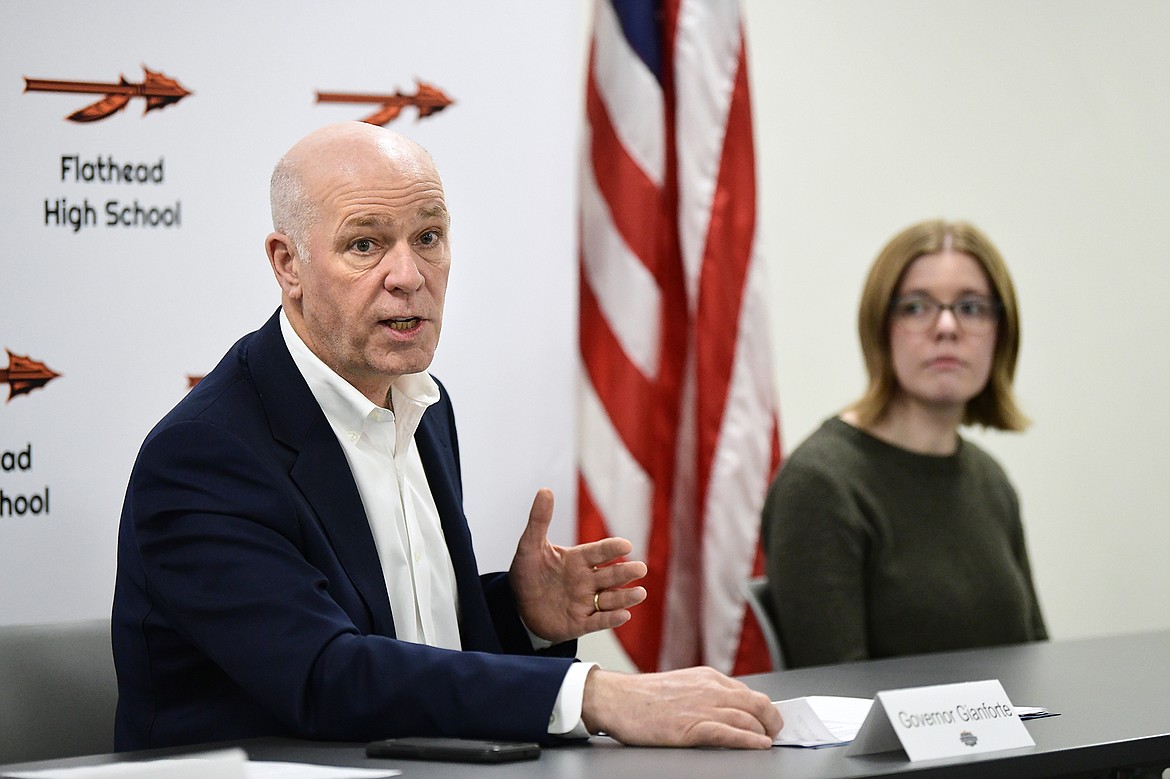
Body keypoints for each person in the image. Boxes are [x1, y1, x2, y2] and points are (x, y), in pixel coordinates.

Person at [112, 121, 782, 752]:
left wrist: (520, 614)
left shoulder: (426, 406)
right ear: (288, 265)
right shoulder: (204, 454)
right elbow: (325, 672)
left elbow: (409, 640)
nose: (409, 276)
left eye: (428, 237)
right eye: (365, 244)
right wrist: (593, 693)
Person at [760, 219, 1047, 668]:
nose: (947, 327)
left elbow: (1037, 664)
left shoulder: (990, 480)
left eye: (972, 308)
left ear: (1001, 333)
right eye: (916, 307)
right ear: (880, 329)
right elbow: (839, 705)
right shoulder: (821, 483)